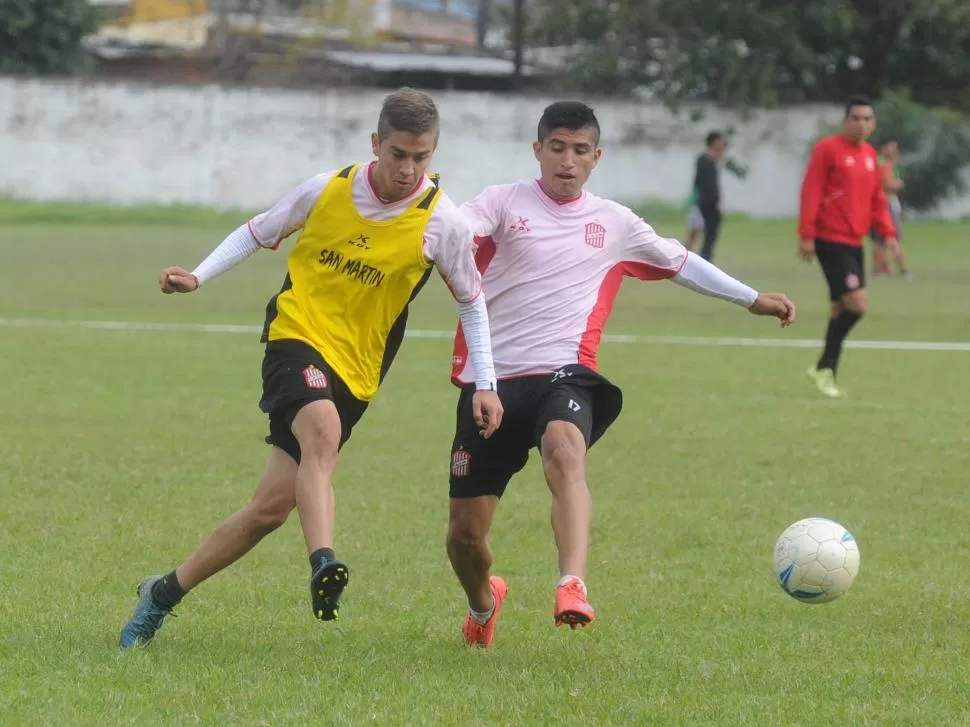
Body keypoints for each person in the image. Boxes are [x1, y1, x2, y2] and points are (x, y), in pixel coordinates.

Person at [118, 88, 504, 649]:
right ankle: (324, 560)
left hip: (357, 370)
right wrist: (199, 274)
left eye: (421, 157)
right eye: (398, 154)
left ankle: (161, 595)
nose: (408, 168)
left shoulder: (440, 222)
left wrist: (485, 385)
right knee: (320, 430)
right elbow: (258, 230)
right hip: (295, 336)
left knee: (267, 511)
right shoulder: (327, 189)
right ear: (376, 144)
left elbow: (471, 301)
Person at [446, 101, 796, 649]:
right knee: (466, 538)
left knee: (565, 448)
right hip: (492, 384)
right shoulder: (504, 201)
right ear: (537, 150)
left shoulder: (614, 222)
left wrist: (750, 298)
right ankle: (483, 604)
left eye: (580, 150)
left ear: (596, 157)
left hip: (568, 373)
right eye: (557, 148)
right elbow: (458, 227)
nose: (567, 161)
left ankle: (571, 582)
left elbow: (680, 260)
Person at [799, 95, 899, 399]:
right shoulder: (827, 149)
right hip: (830, 239)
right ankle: (823, 366)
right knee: (858, 306)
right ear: (845, 121)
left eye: (867, 119)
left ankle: (826, 373)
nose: (861, 124)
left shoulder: (870, 156)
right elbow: (811, 190)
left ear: (874, 123)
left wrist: (888, 233)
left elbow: (877, 201)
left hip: (855, 242)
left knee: (839, 308)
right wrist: (806, 233)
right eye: (855, 118)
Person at [871, 138, 911, 278]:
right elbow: (888, 184)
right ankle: (903, 270)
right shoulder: (883, 163)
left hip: (887, 203)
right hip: (886, 204)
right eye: (892, 147)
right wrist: (897, 184)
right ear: (883, 148)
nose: (895, 151)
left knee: (880, 240)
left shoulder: (889, 163)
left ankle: (881, 269)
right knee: (891, 237)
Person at [694, 131, 728, 262]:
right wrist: (716, 202)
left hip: (708, 201)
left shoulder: (711, 160)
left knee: (711, 233)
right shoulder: (705, 161)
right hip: (708, 203)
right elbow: (707, 185)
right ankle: (705, 259)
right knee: (709, 233)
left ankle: (706, 258)